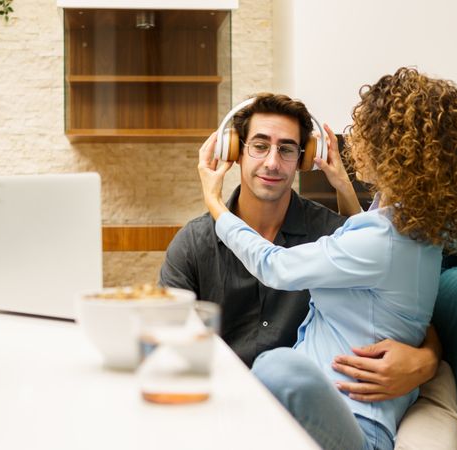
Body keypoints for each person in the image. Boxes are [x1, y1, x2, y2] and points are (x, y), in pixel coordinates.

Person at [196, 69, 457, 449]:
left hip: (357, 427)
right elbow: (366, 251)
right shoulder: (409, 231)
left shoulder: (383, 239)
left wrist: (214, 203)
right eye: (259, 146)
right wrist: (342, 184)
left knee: (279, 367)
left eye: (365, 130)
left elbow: (276, 266)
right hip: (322, 418)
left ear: (388, 149)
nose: (354, 138)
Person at [160, 93, 441, 401]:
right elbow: (163, 337)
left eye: (287, 149)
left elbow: (404, 305)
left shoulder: (332, 233)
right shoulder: (193, 244)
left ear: (304, 159)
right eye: (259, 145)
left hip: (305, 409)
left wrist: (424, 361)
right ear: (234, 151)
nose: (272, 162)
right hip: (219, 403)